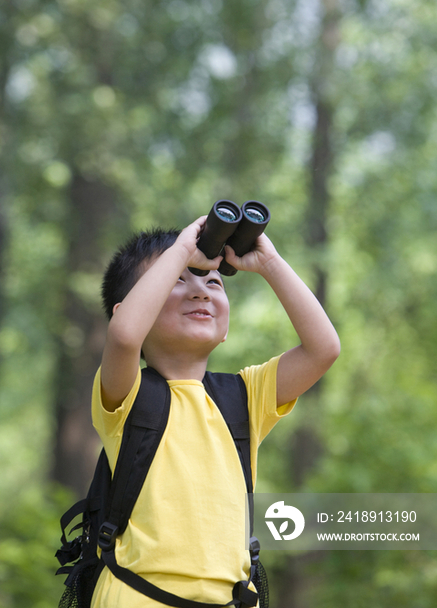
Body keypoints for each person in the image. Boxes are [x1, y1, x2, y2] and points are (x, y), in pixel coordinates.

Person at [91, 215, 341, 608]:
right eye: (177, 279)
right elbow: (123, 336)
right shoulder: (127, 394)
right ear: (131, 309)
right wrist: (180, 251)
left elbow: (323, 348)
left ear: (225, 329)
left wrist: (269, 263)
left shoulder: (244, 396)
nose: (201, 291)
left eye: (213, 282)